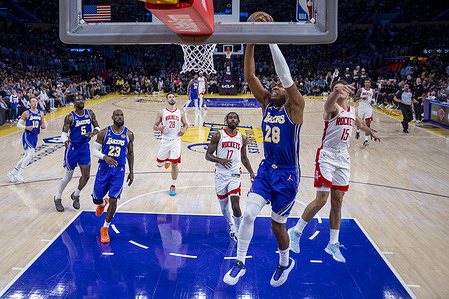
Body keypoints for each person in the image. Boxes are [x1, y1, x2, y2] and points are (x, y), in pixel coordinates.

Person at [224, 15, 306, 288]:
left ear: (290, 91)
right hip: (266, 169)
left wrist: (269, 36)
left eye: (279, 86)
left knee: (276, 226)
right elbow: (249, 75)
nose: (275, 86)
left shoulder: (295, 107)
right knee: (247, 215)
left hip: (287, 175)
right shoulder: (267, 104)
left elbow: (286, 76)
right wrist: (251, 37)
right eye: (273, 86)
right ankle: (240, 262)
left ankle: (285, 262)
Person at [288, 80, 380, 264]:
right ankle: (296, 231)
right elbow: (328, 104)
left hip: (343, 158)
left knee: (337, 202)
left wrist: (371, 133)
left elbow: (360, 125)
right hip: (326, 156)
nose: (342, 92)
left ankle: (333, 243)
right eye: (338, 89)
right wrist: (335, 92)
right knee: (322, 199)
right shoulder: (333, 109)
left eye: (344, 89)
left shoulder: (352, 111)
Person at [205, 112, 255, 241]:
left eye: (235, 118)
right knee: (224, 207)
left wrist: (251, 172)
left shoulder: (242, 138)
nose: (232, 119)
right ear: (226, 120)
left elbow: (244, 158)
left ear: (238, 121)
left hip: (235, 174)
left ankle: (238, 231)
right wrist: (219, 160)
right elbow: (208, 155)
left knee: (235, 205)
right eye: (230, 117)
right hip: (221, 175)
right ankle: (232, 225)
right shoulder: (218, 135)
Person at [92, 109, 134, 243]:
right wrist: (105, 157)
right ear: (112, 117)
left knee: (114, 199)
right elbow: (94, 150)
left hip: (119, 171)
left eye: (122, 115)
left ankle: (105, 228)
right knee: (96, 200)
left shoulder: (129, 134)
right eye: (117, 115)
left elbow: (130, 153)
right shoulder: (103, 133)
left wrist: (131, 171)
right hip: (104, 169)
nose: (120, 117)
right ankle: (103, 202)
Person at [53, 95, 100, 212]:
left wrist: (93, 132)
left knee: (86, 176)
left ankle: (76, 195)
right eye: (78, 99)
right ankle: (58, 197)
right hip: (72, 148)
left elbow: (98, 127)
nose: (81, 100)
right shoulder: (70, 117)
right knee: (68, 176)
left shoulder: (90, 113)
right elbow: (63, 133)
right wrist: (65, 140)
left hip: (84, 148)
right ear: (74, 103)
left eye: (82, 98)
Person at [154, 93, 188, 196]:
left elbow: (185, 124)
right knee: (159, 165)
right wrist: (159, 128)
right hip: (165, 140)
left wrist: (183, 130)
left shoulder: (180, 112)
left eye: (173, 97)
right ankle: (165, 161)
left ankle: (173, 185)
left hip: (176, 140)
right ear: (166, 100)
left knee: (174, 164)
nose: (172, 98)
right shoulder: (161, 112)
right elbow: (155, 126)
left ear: (175, 99)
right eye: (169, 97)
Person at [7, 97, 46, 183]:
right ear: (30, 103)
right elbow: (18, 124)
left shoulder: (41, 113)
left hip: (35, 136)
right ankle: (20, 173)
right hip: (27, 135)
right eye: (33, 101)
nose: (35, 103)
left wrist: (43, 126)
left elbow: (43, 124)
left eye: (36, 101)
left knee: (26, 156)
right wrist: (25, 127)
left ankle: (12, 173)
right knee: (31, 154)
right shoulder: (26, 113)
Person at [354, 79, 375, 146]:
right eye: (366, 82)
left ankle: (366, 140)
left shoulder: (373, 91)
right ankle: (358, 131)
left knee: (368, 123)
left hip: (368, 108)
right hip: (361, 107)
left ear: (370, 84)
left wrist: (373, 102)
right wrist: (361, 98)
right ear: (364, 83)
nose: (367, 83)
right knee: (359, 122)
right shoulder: (360, 90)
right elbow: (355, 98)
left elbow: (373, 99)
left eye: (368, 82)